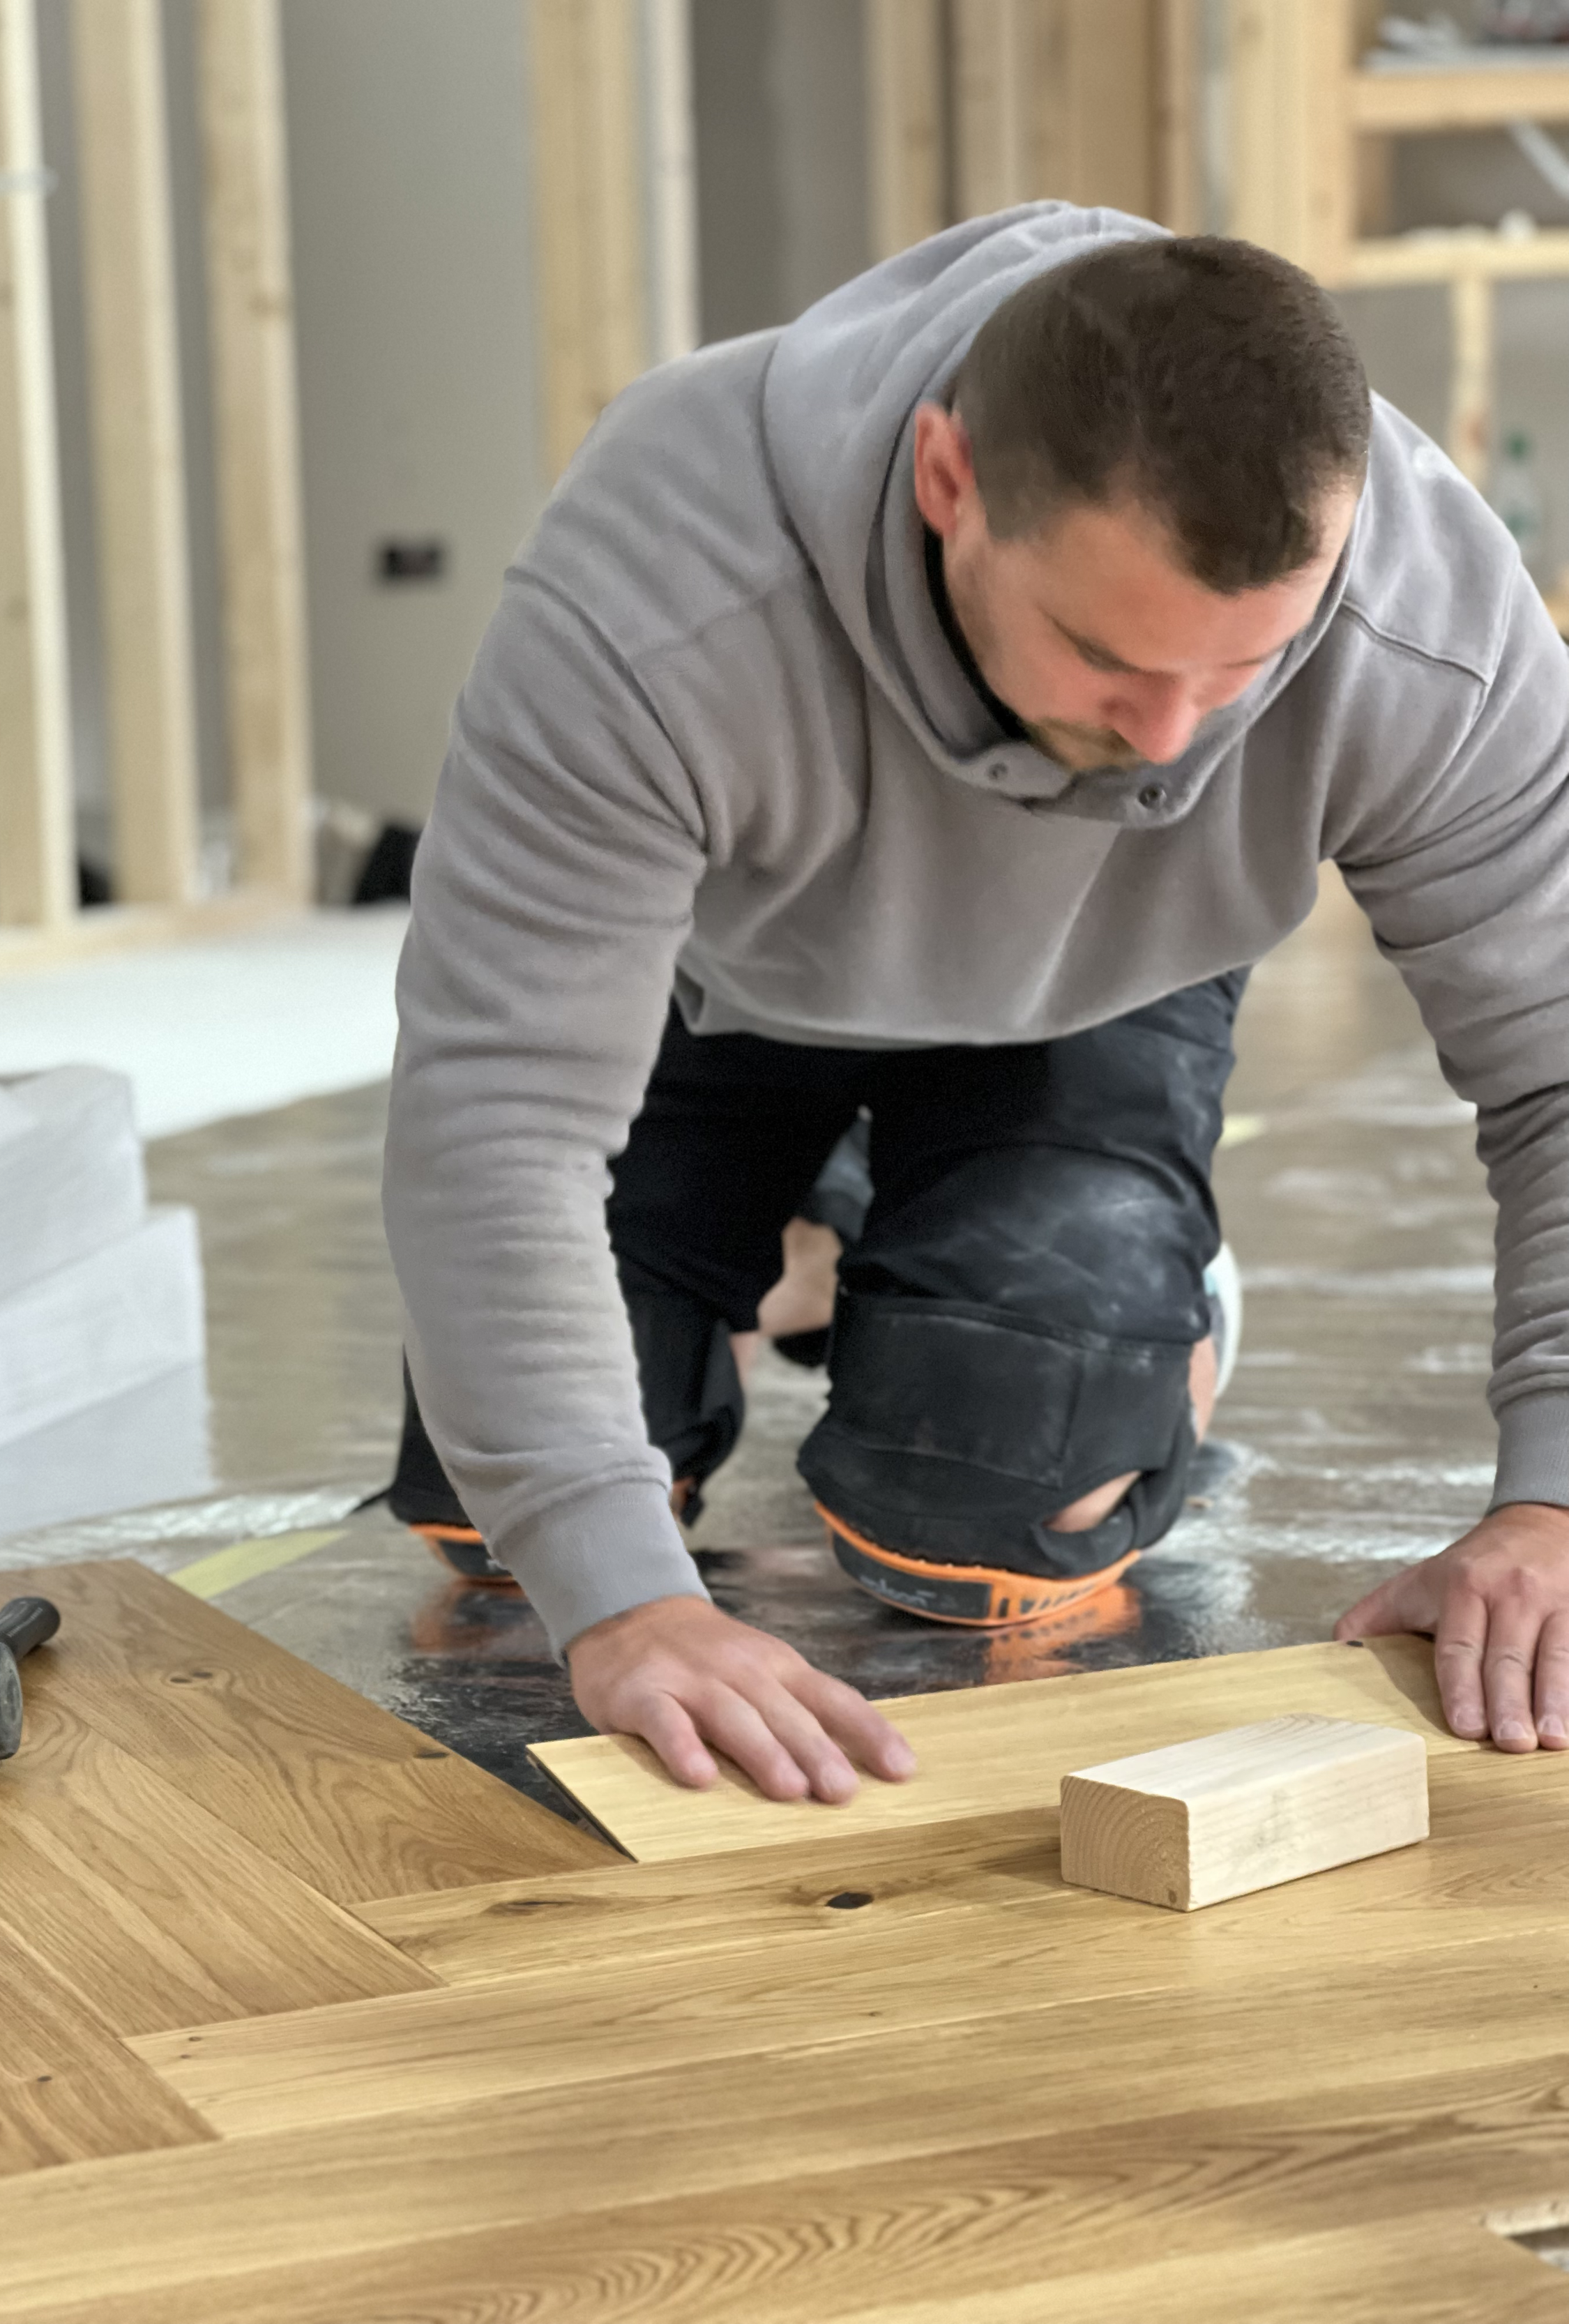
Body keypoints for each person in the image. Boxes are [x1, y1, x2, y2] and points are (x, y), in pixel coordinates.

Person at [384, 206, 1569, 1805]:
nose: (1165, 742)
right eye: (1102, 655)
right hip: (716, 992)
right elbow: (498, 1118)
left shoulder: (1420, 620)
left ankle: (1154, 1297)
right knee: (496, 1517)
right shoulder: (665, 572)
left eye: (1236, 675)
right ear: (950, 484)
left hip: (1101, 988)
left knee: (994, 1496)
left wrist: (1552, 1498)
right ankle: (820, 1244)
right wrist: (631, 1602)